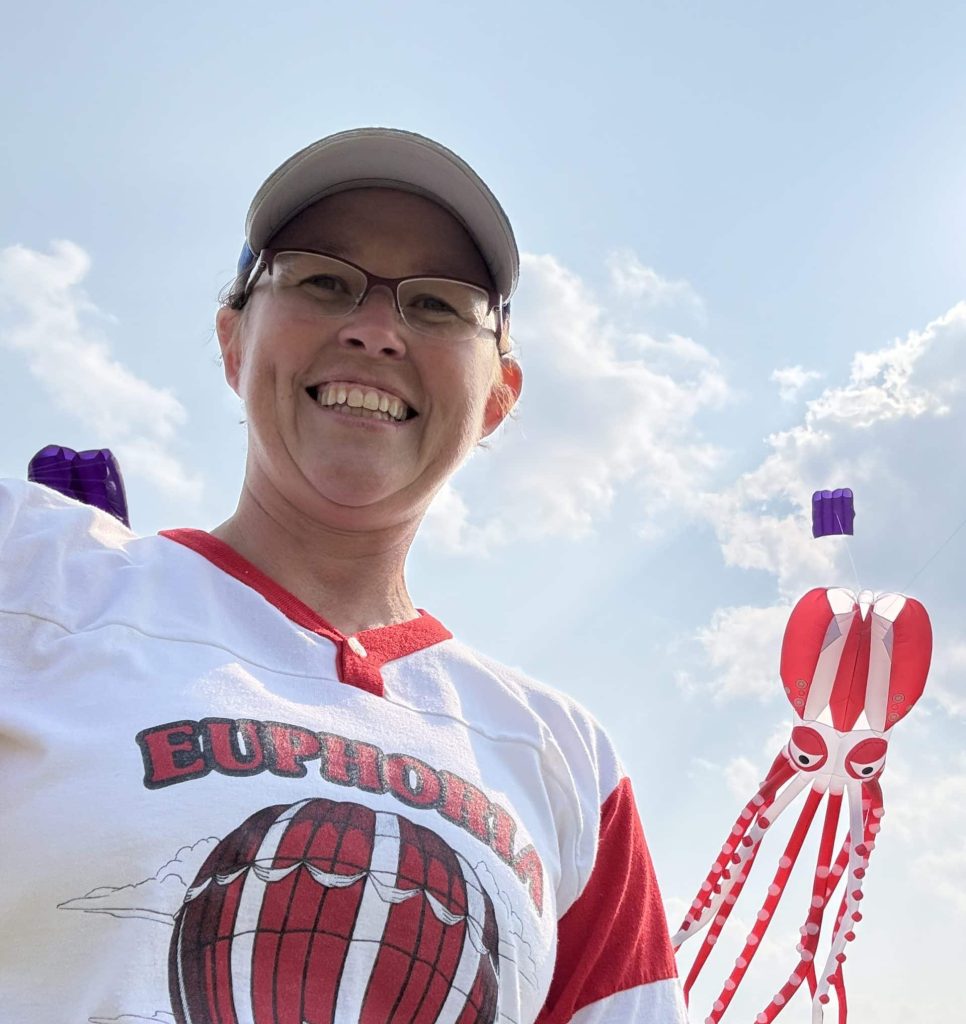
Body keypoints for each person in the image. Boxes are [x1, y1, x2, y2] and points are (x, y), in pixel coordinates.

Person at [0, 128, 687, 1023]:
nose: (374, 329)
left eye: (439, 305)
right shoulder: (38, 575)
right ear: (233, 340)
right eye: (323, 280)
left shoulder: (565, 760)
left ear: (498, 396)